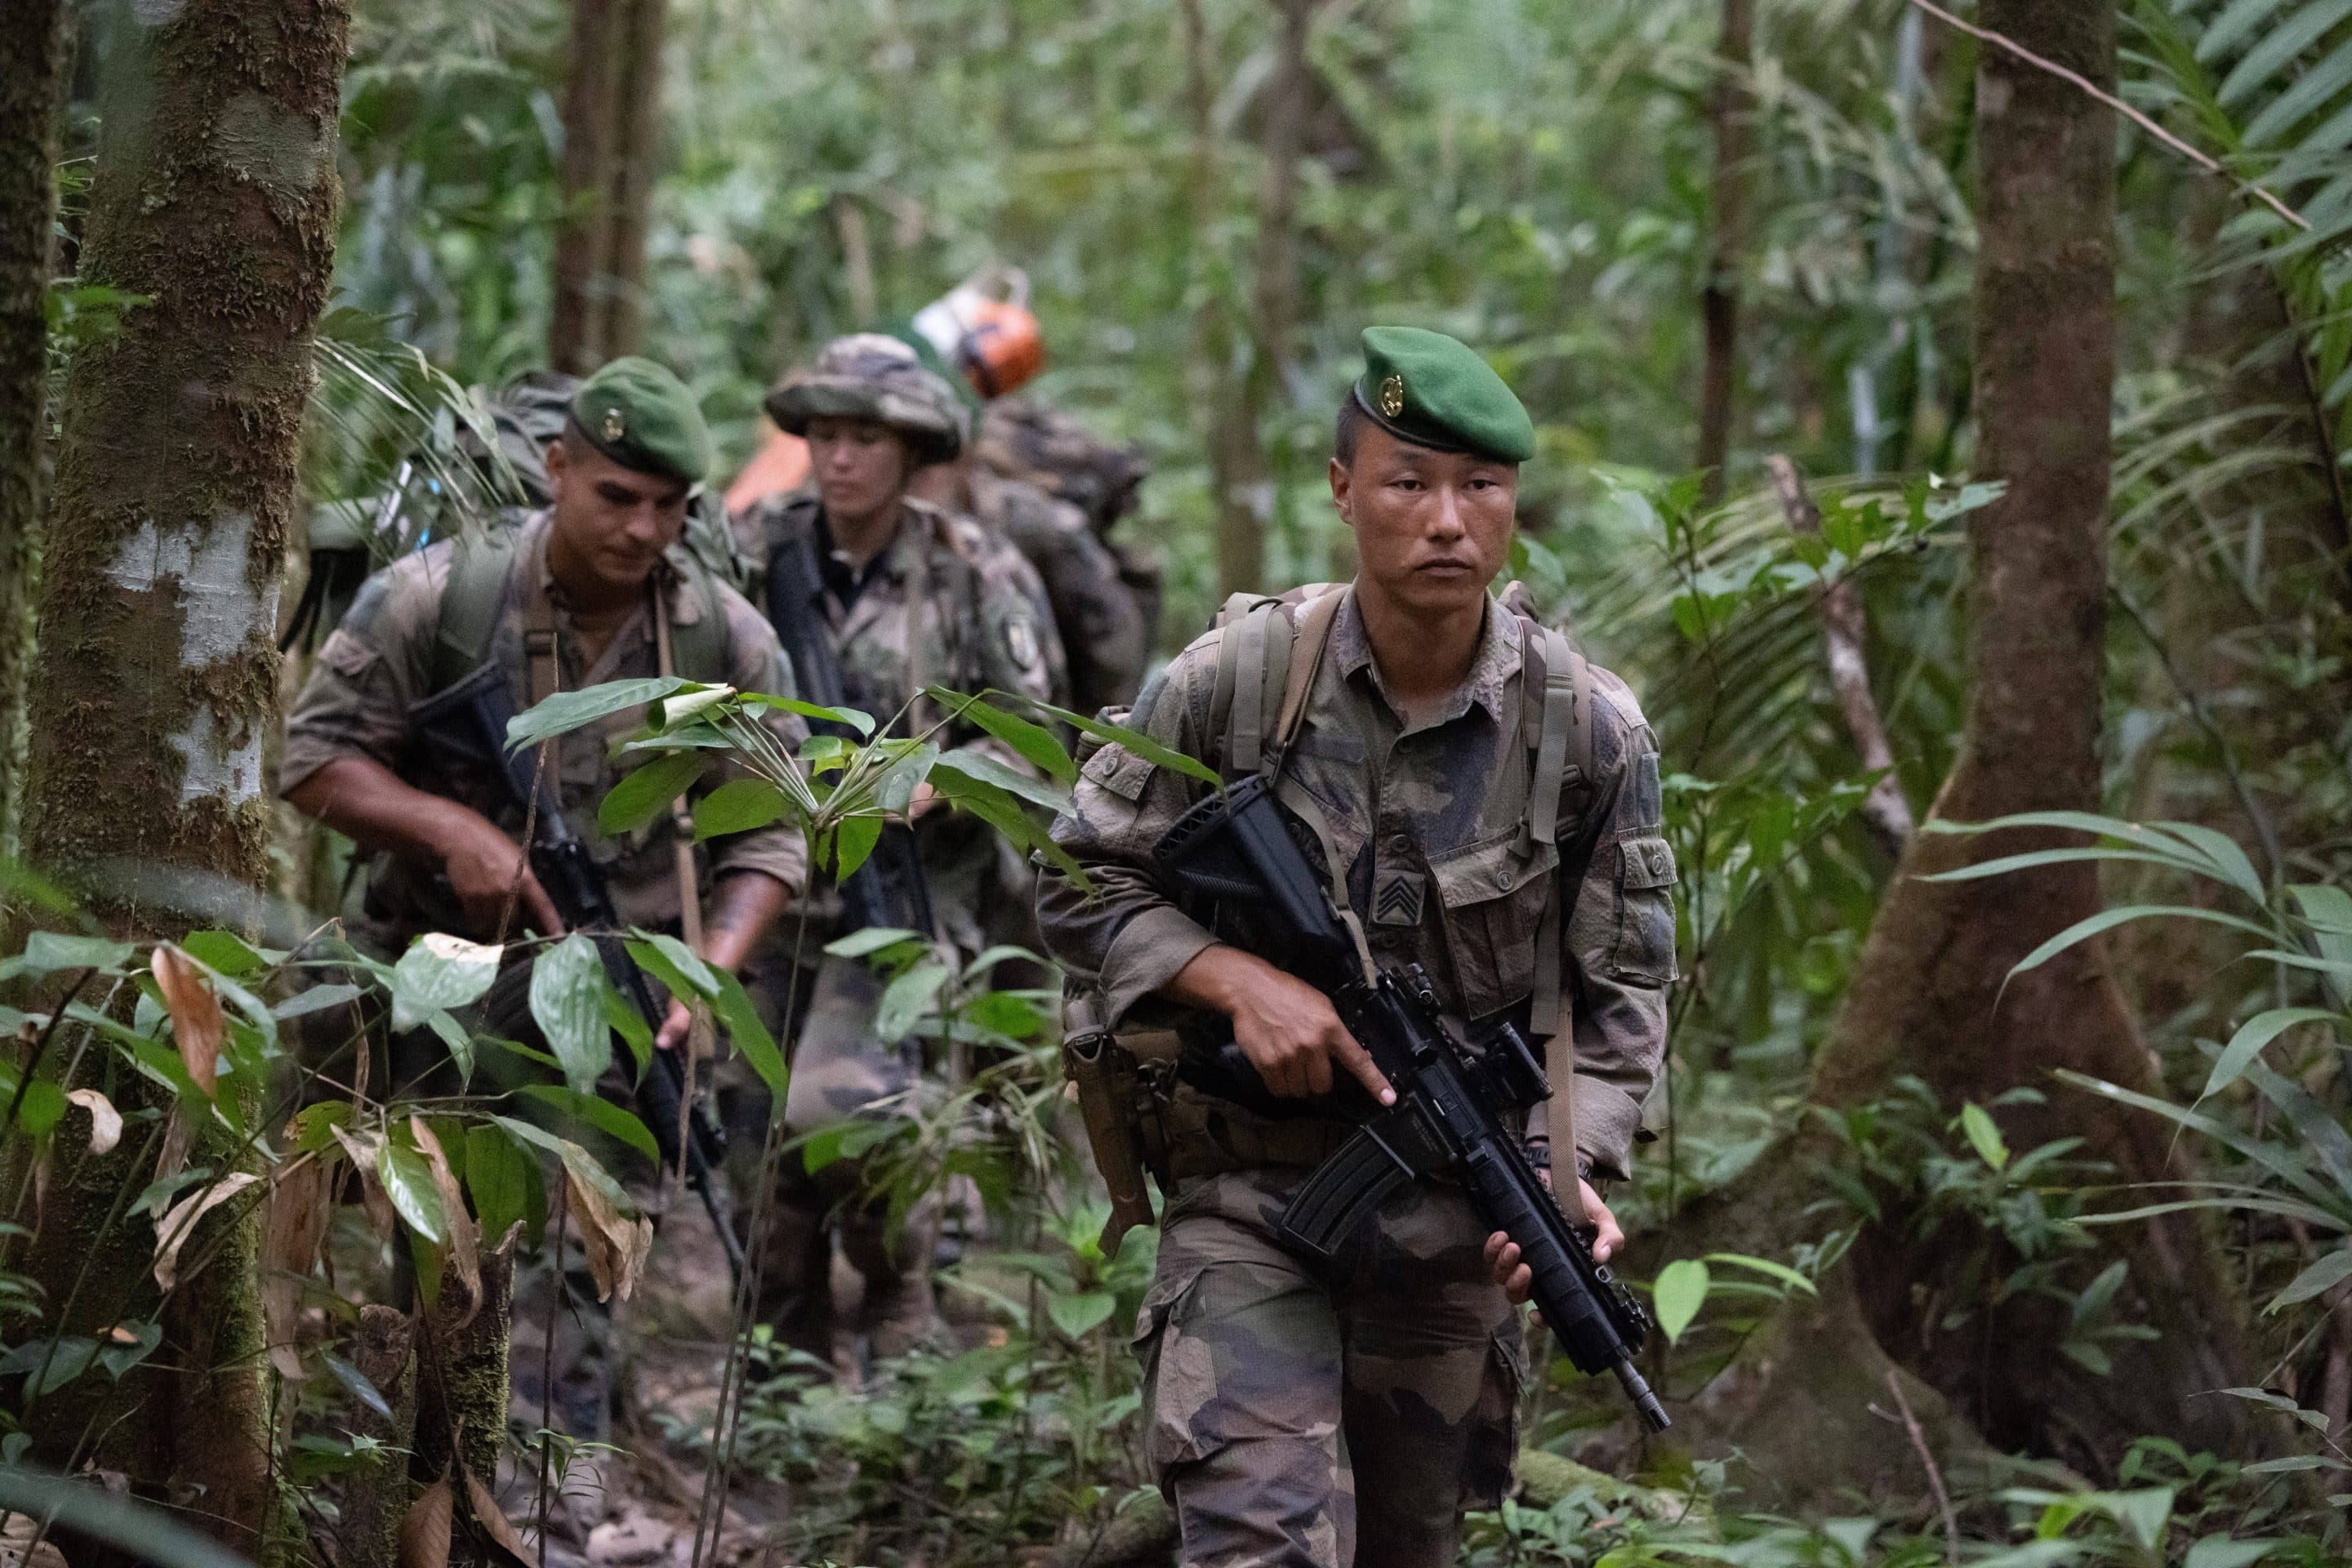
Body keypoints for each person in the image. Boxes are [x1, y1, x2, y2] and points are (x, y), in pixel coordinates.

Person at [1037, 327, 1673, 1568]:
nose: (1447, 521)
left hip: (1453, 1235)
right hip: (1251, 1200)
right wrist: (1234, 980)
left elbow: (1623, 994)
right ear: (1343, 490)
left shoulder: (1589, 733)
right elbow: (1074, 873)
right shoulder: (1236, 682)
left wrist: (1572, 1163)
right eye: (1408, 482)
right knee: (1258, 1538)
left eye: (1480, 487)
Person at [281, 356, 809, 1432]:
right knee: (425, 1262)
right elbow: (313, 760)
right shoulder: (440, 596)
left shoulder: (728, 641)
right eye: (617, 497)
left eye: (669, 508)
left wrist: (711, 970)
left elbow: (774, 835)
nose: (643, 530)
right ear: (558, 469)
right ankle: (401, 1481)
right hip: (438, 976)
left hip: (625, 997)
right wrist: (451, 826)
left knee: (580, 1277)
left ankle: (551, 1504)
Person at [732, 333, 1067, 1365]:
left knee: (847, 1112)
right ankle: (784, 1378)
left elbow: (1036, 742)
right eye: (825, 435)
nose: (840, 460)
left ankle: (902, 1299)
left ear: (913, 448)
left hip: (910, 902)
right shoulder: (755, 552)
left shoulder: (971, 571)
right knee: (755, 1154)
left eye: (866, 439)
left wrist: (937, 780)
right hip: (765, 890)